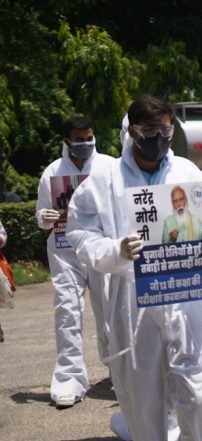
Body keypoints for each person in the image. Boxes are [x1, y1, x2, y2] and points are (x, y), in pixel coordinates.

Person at [66, 95, 202, 441]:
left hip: (187, 298)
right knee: (143, 405)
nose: (159, 138)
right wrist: (115, 250)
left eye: (166, 130)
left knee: (197, 396)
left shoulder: (185, 171)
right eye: (150, 131)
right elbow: (79, 233)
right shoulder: (104, 179)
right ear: (133, 133)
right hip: (135, 306)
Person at [35, 115, 114, 409]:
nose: (86, 144)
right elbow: (42, 215)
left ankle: (118, 371)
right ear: (67, 141)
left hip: (99, 248)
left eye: (89, 137)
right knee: (68, 312)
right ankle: (69, 378)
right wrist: (43, 218)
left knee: (111, 312)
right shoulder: (52, 173)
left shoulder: (109, 167)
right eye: (79, 139)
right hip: (65, 251)